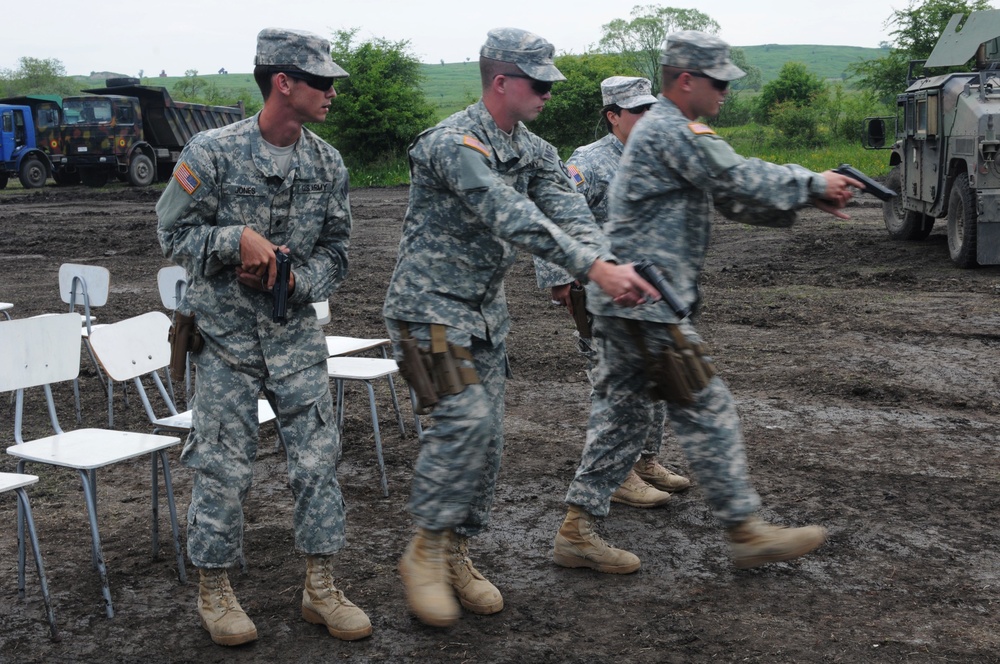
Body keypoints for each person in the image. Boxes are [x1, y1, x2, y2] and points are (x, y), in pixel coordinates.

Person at [553, 30, 863, 574]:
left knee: (621, 418)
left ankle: (577, 530)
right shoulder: (671, 129)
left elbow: (732, 196)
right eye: (718, 81)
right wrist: (812, 183)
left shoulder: (667, 132)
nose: (725, 91)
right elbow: (736, 175)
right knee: (706, 404)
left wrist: (808, 196)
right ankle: (744, 529)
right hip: (645, 303)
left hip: (631, 302)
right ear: (687, 80)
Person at [382, 27, 659, 628]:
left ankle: (456, 554)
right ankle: (424, 553)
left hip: (483, 316)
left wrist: (601, 260)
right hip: (426, 310)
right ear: (501, 81)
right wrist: (593, 267)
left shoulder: (532, 149)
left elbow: (568, 209)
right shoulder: (452, 142)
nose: (550, 93)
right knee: (463, 420)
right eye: (540, 83)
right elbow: (508, 213)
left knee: (487, 444)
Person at [156, 28, 371, 646]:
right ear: (283, 82)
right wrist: (234, 239)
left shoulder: (327, 163)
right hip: (225, 339)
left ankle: (321, 587)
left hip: (296, 338)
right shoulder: (212, 152)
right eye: (322, 81)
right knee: (223, 467)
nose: (332, 92)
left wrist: (299, 278)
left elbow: (338, 251)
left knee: (317, 463)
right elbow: (171, 236)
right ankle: (215, 591)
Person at [533, 76, 691, 509]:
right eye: (637, 111)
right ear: (613, 116)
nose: (648, 117)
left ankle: (644, 461)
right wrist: (559, 279)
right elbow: (551, 217)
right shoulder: (589, 162)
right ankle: (616, 475)